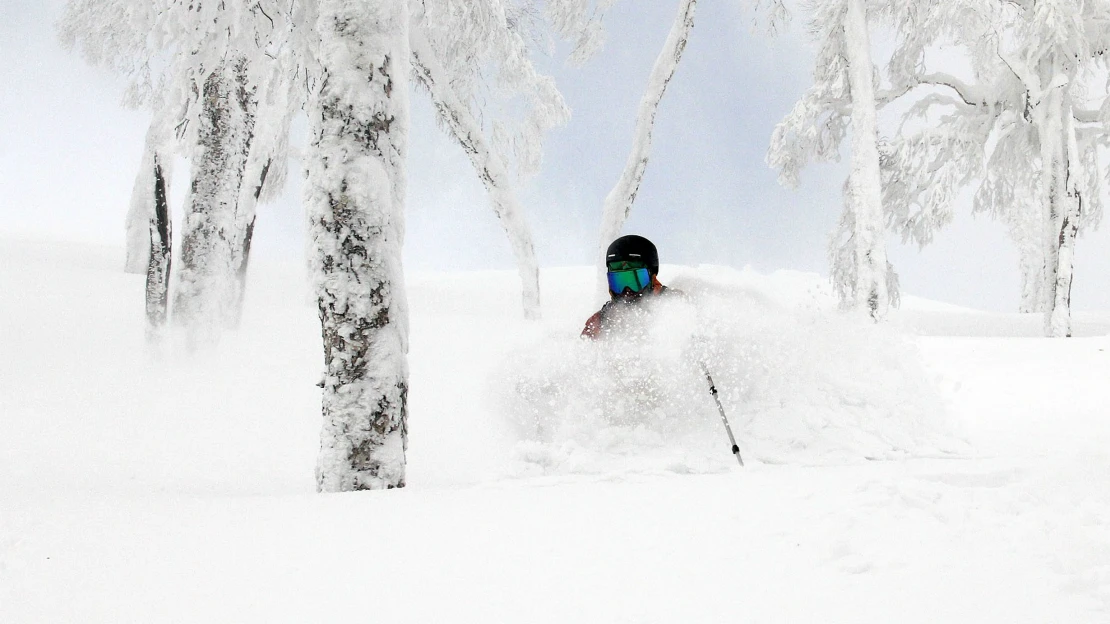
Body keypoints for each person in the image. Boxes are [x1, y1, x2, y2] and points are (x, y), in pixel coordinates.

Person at [581, 235, 678, 339]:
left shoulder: (674, 304)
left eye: (635, 281)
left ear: (652, 277)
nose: (627, 290)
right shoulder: (599, 322)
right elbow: (582, 351)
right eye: (619, 282)